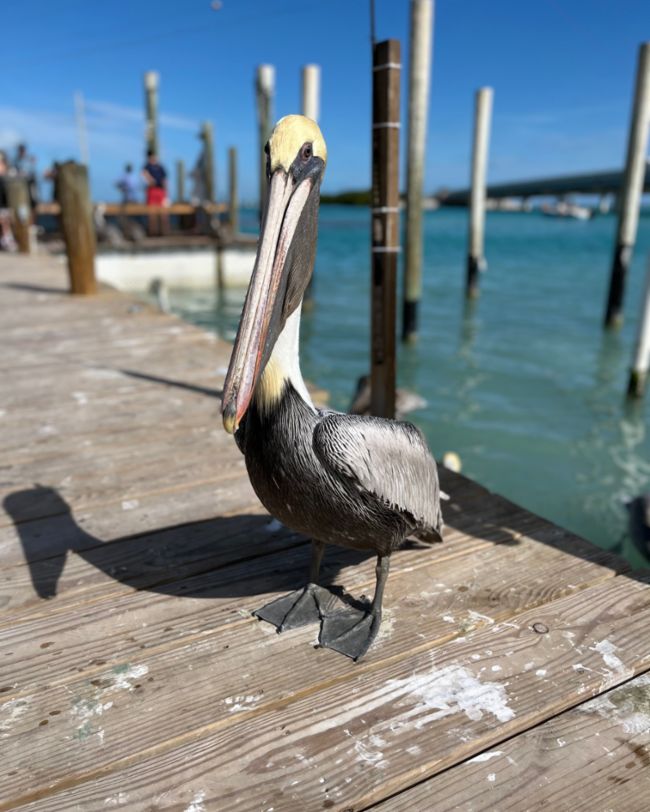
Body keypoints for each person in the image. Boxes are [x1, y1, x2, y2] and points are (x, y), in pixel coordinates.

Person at [141, 149, 168, 235]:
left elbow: (165, 179)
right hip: (152, 190)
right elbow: (144, 175)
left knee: (163, 212)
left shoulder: (160, 167)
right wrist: (150, 180)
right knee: (152, 212)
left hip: (161, 190)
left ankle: (164, 232)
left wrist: (166, 190)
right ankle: (153, 232)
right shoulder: (146, 167)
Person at [0, 151, 18, 252]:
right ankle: (6, 239)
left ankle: (6, 238)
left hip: (5, 203)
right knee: (4, 220)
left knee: (6, 219)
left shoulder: (8, 173)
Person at [13, 143, 39, 211]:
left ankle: (33, 220)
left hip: (30, 183)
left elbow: (33, 172)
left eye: (22, 150)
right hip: (20, 185)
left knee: (33, 202)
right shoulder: (16, 161)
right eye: (20, 150)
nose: (21, 152)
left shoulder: (29, 159)